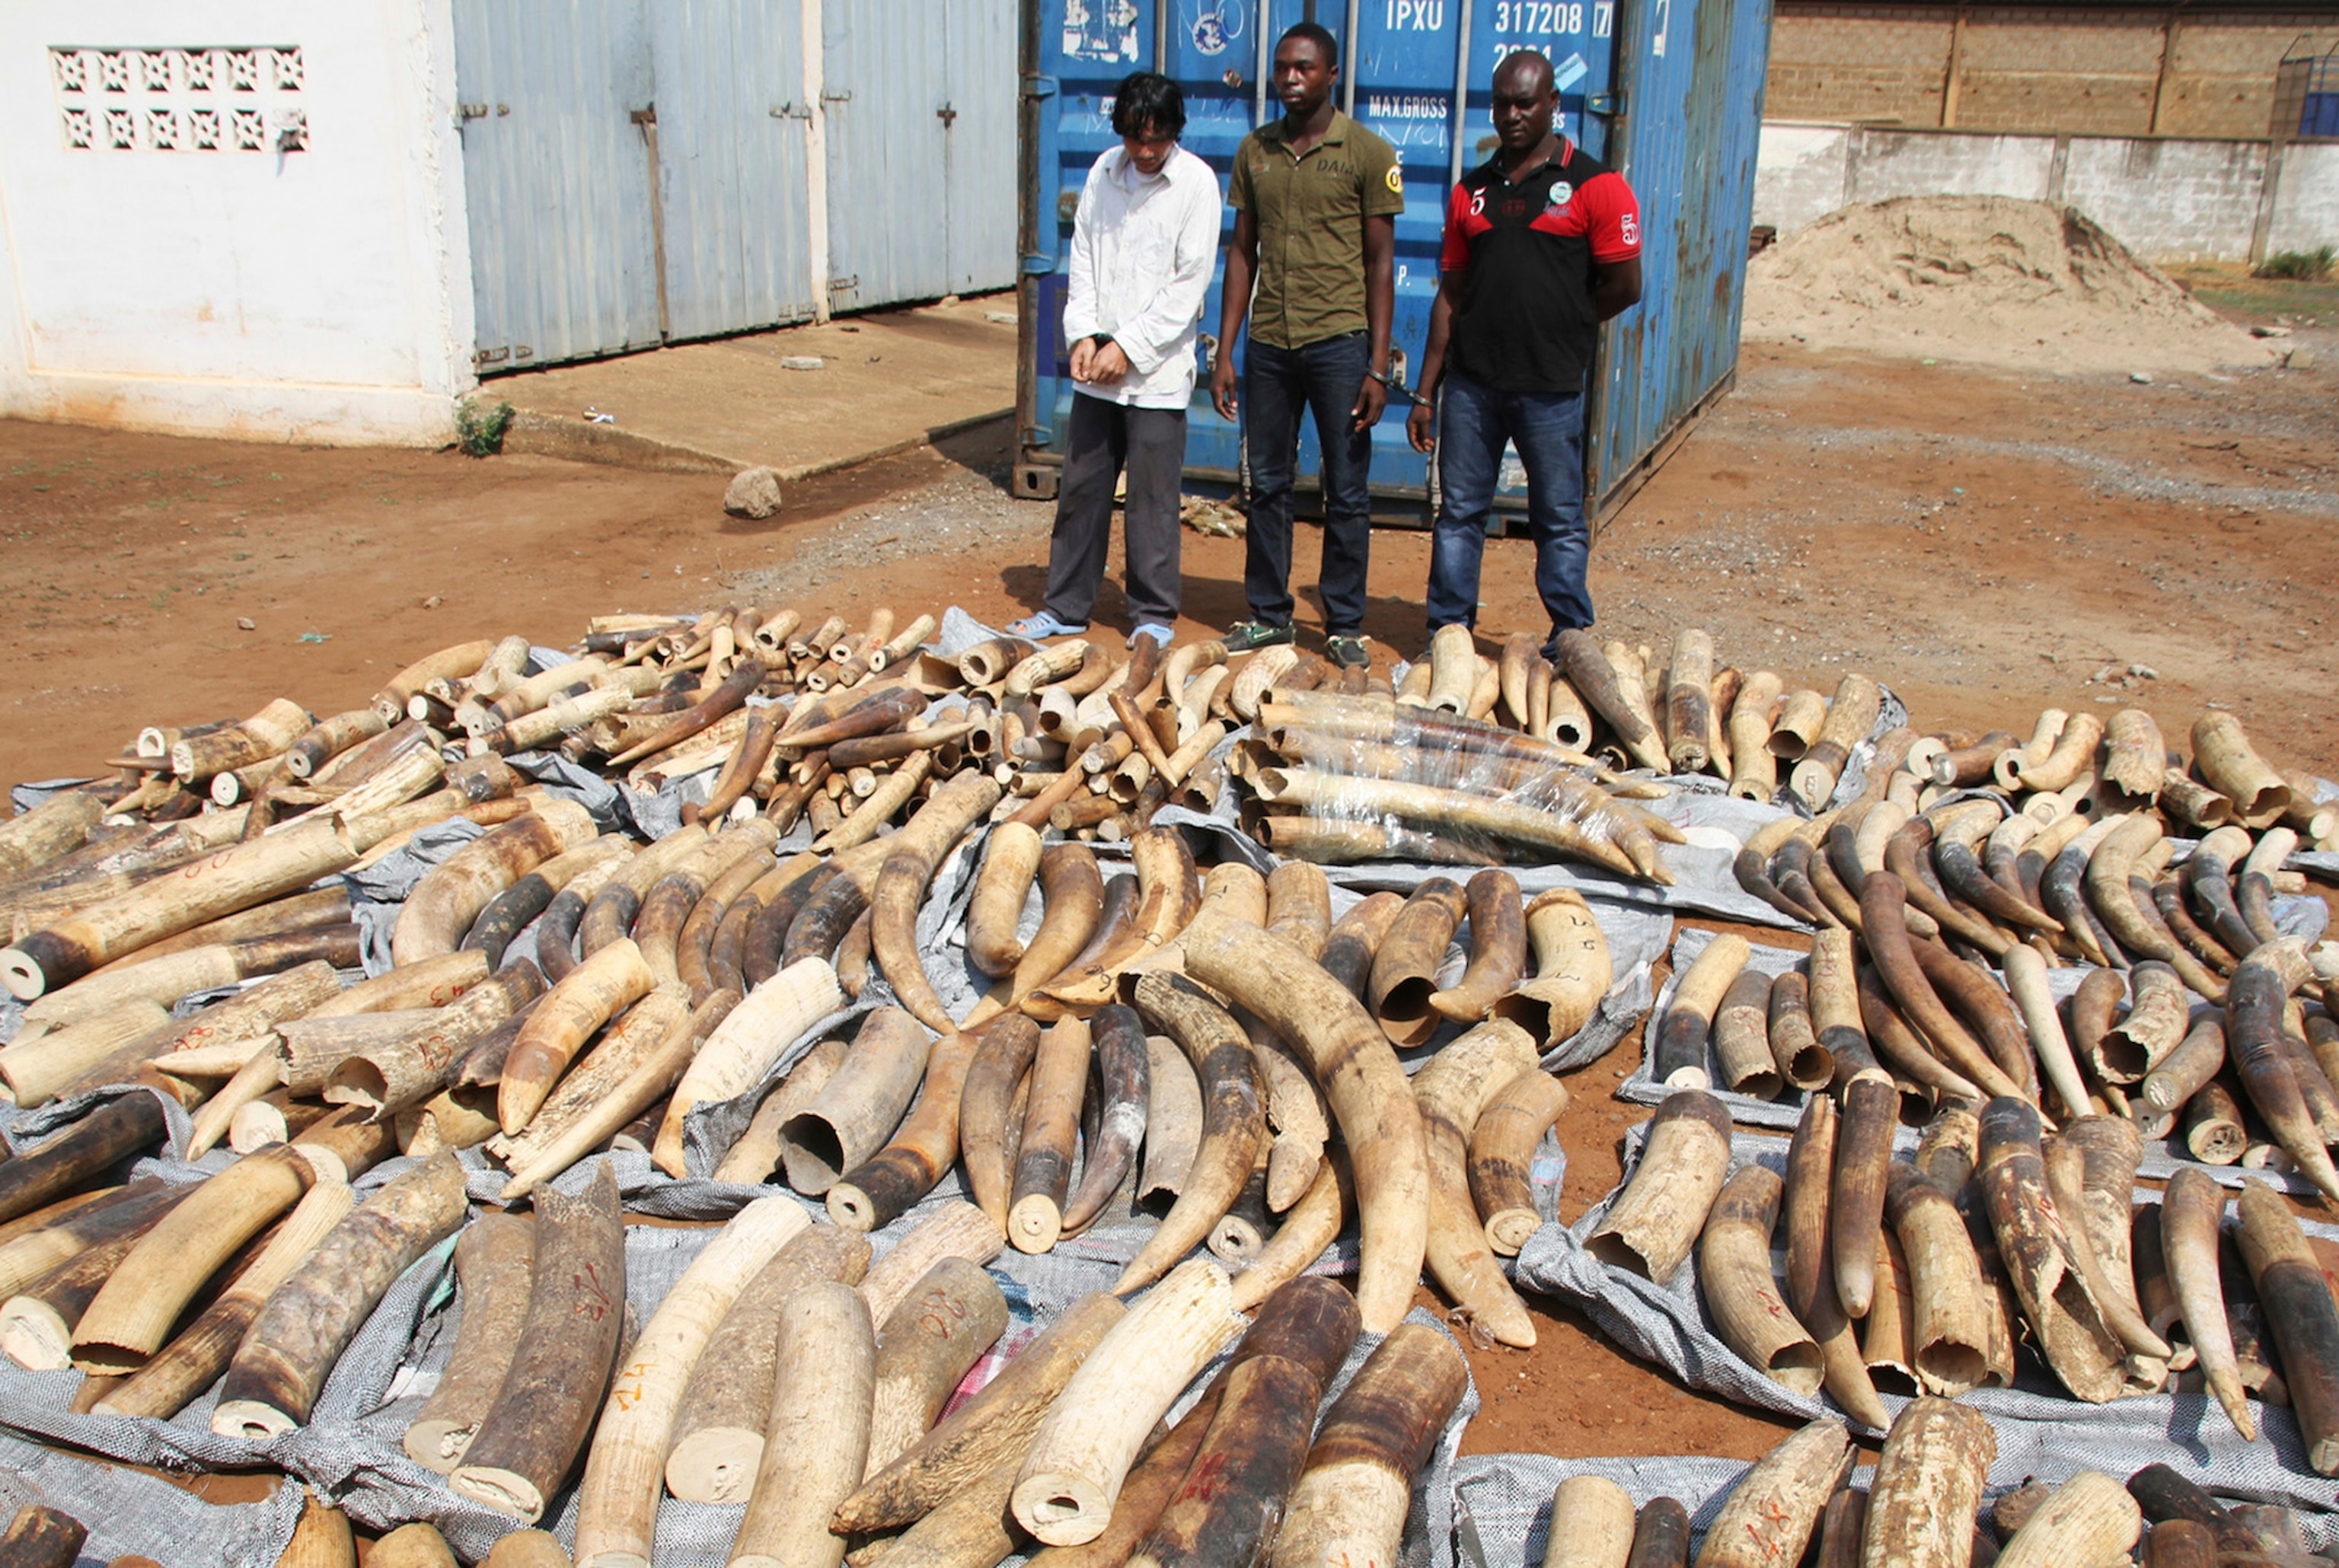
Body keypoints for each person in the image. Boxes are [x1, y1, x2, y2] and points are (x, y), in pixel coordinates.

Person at [1406, 49, 1642, 658]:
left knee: (1559, 520)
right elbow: (1451, 296)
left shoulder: (1597, 186)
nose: (1512, 115)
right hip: (1472, 386)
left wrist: (1564, 324)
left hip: (1550, 387)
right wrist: (1426, 391)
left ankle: (1570, 638)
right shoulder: (1471, 192)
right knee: (1459, 515)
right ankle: (1447, 635)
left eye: (1526, 103)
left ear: (1552, 106)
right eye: (1504, 103)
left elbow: (1624, 285)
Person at [1210, 21, 1402, 670]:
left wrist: (1378, 364)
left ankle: (1345, 622)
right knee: (1267, 483)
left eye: (1305, 68)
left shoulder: (1368, 154)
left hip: (1339, 345)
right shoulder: (1254, 151)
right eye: (1283, 68)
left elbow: (1381, 264)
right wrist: (1225, 351)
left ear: (1332, 74)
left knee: (1346, 488)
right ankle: (1269, 615)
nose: (1291, 79)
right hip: (1268, 343)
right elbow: (1241, 252)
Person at [1010, 73, 1221, 649]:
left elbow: (1187, 286)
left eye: (1157, 140)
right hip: (1096, 368)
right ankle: (1066, 606)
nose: (1146, 152)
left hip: (1155, 373)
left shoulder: (1197, 185)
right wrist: (1082, 335)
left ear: (1175, 133)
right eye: (1136, 139)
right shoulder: (1104, 172)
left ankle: (1152, 615)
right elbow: (1084, 262)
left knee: (1152, 500)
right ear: (1122, 133)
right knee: (1082, 487)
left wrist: (1127, 347)